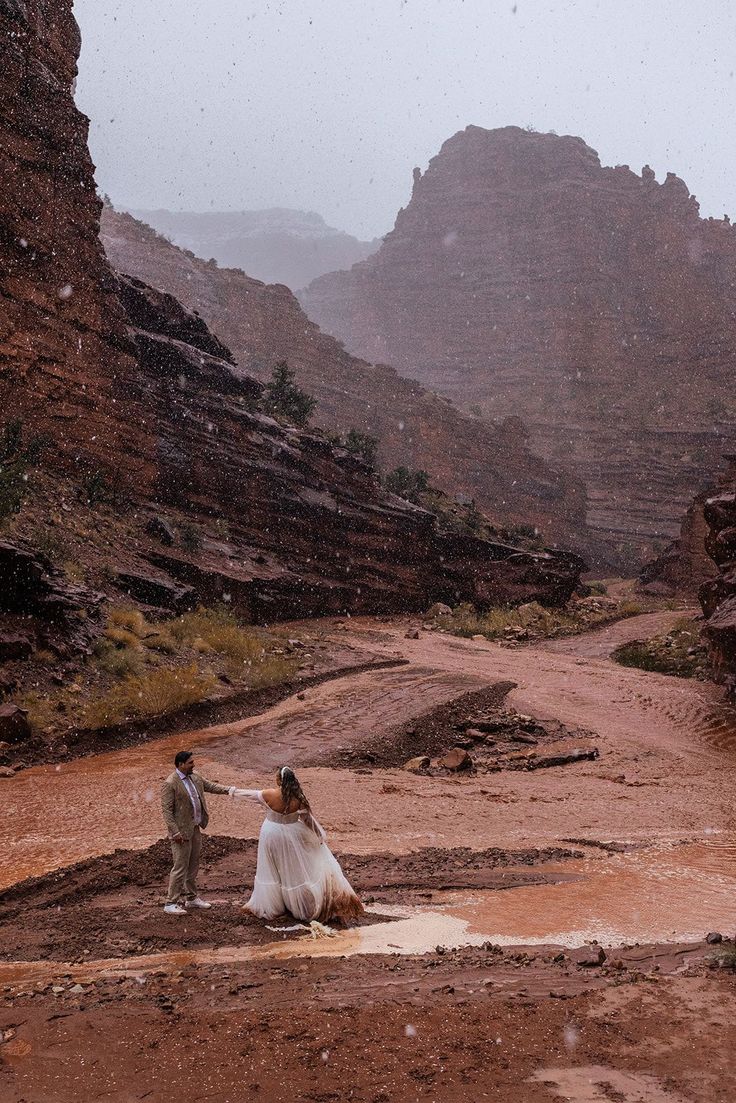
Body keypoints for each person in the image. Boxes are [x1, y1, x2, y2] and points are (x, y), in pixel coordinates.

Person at [232, 766, 363, 924]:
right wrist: (319, 836)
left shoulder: (269, 794)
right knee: (291, 869)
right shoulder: (298, 799)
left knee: (271, 868)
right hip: (291, 836)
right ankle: (297, 906)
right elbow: (308, 821)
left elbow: (247, 794)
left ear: (279, 780)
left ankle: (273, 906)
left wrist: (230, 791)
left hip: (270, 833)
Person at [161, 749, 237, 915]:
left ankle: (191, 898)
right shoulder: (170, 783)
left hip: (195, 827)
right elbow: (166, 811)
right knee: (180, 867)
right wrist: (175, 832)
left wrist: (230, 790)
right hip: (180, 832)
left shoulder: (195, 777)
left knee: (193, 865)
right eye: (190, 763)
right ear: (180, 765)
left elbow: (211, 786)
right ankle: (170, 902)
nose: (193, 765)